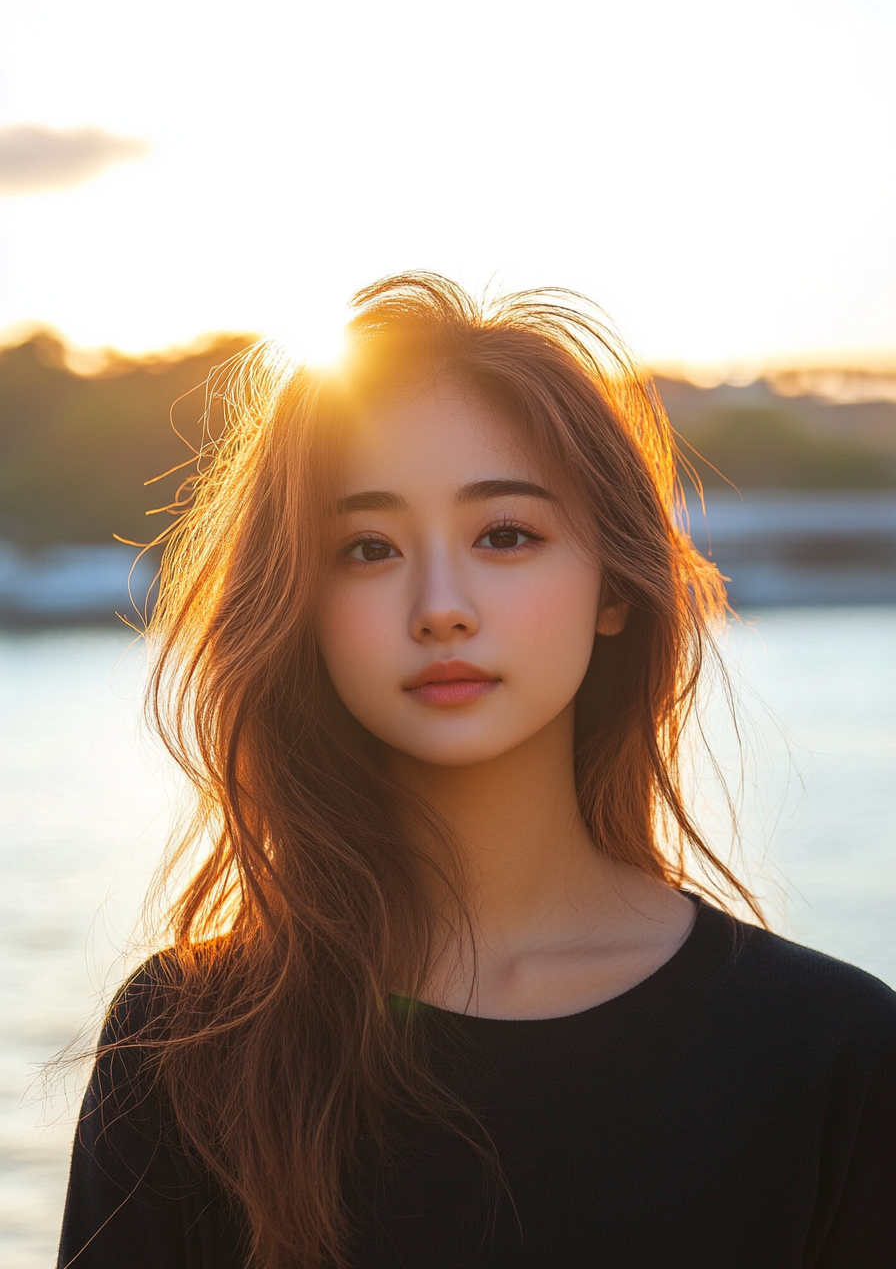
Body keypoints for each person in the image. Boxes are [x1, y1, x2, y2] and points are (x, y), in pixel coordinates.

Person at [58, 274, 895, 1269]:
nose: (440, 605)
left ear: (613, 588)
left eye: (505, 535)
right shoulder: (186, 1046)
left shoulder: (830, 1055)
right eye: (366, 548)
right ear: (303, 609)